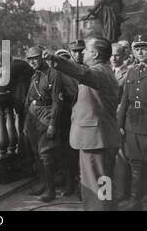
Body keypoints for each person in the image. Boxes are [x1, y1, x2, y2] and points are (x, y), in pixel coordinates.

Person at [44, 38, 122, 211]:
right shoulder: (103, 71)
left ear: (95, 54)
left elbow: (81, 73)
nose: (83, 52)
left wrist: (57, 60)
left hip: (97, 141)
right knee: (101, 186)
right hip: (98, 139)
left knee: (98, 188)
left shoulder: (99, 72)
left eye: (86, 49)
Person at [24, 47, 63, 202]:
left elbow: (57, 101)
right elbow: (28, 100)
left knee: (45, 153)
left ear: (42, 57)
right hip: (33, 116)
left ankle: (50, 190)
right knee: (36, 152)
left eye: (35, 58)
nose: (32, 61)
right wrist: (26, 122)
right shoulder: (34, 75)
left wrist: (53, 123)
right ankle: (42, 183)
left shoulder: (53, 74)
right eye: (29, 59)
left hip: (46, 114)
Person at [117, 34, 147, 211]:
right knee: (135, 163)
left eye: (144, 48)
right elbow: (124, 100)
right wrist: (120, 124)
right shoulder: (131, 71)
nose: (140, 52)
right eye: (137, 49)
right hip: (131, 125)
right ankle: (135, 201)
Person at [55, 49, 79, 197]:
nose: (64, 61)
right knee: (66, 151)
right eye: (61, 59)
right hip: (64, 116)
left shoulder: (75, 74)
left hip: (75, 114)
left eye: (66, 59)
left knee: (74, 151)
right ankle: (70, 182)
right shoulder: (57, 74)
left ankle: (76, 183)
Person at [110, 43, 131, 202]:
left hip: (118, 119)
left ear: (124, 55)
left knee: (120, 158)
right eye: (111, 55)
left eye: (117, 55)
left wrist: (121, 123)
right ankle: (107, 191)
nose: (114, 58)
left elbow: (126, 102)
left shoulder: (129, 72)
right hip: (104, 119)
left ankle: (121, 192)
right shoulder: (106, 70)